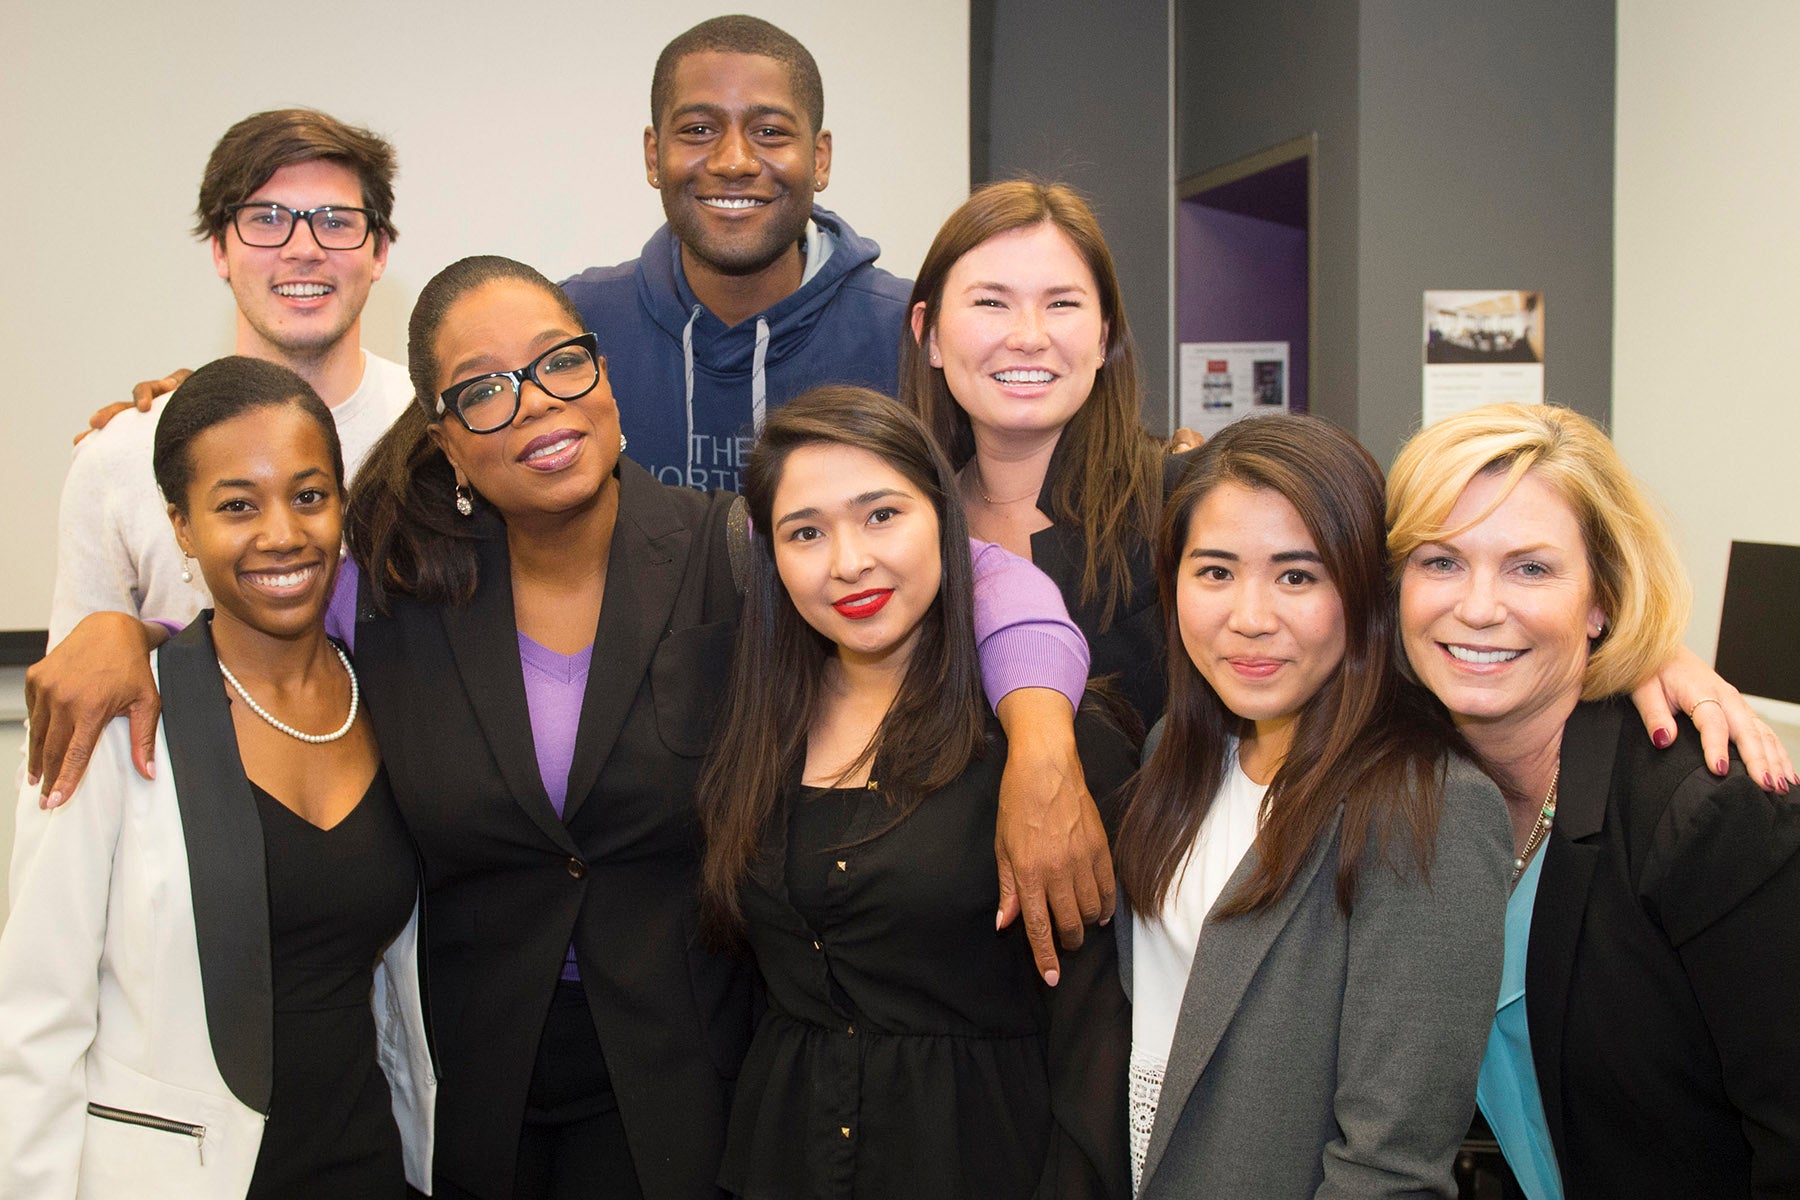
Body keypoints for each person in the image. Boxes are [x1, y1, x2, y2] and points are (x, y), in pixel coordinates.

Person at [27, 254, 1103, 1200]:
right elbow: (265, 616)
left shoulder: (731, 551)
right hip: (471, 1086)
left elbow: (977, 580)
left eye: (558, 363)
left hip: (694, 1081)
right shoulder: (398, 592)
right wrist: (130, 631)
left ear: (605, 379)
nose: (534, 404)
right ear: (445, 442)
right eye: (484, 392)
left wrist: (1044, 736)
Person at [0, 357, 432, 1198]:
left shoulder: (386, 696)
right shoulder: (111, 710)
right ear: (182, 529)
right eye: (237, 505)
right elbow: (35, 1021)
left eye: (310, 495)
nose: (282, 533)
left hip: (370, 1167)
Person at [699, 388, 1133, 1199]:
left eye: (881, 515)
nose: (849, 562)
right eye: (805, 532)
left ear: (944, 519)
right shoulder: (756, 729)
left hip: (983, 1160)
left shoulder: (1048, 745)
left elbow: (1100, 1035)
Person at [1388, 403, 1800, 1199]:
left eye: (1530, 568)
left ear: (1602, 598)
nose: (1477, 606)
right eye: (1440, 561)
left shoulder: (1711, 814)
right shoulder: (1404, 785)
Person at [1114, 413, 1509, 1197]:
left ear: (1364, 592)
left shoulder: (1426, 806)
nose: (1251, 617)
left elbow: (1389, 1162)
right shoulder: (1176, 754)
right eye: (1215, 572)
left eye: (1297, 576)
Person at [50, 108, 411, 646]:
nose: (304, 248)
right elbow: (75, 690)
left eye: (335, 221)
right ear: (220, 249)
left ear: (378, 251)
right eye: (266, 218)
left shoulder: (437, 429)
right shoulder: (119, 456)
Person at [560, 15, 911, 493]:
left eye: (769, 132)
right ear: (653, 155)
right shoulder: (576, 325)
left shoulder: (909, 334)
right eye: (699, 129)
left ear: (820, 159)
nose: (733, 162)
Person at [901, 180, 1182, 725]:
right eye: (991, 302)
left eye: (1060, 303)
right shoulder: (892, 524)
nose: (1028, 336)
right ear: (929, 333)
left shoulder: (1183, 507)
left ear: (1103, 338)